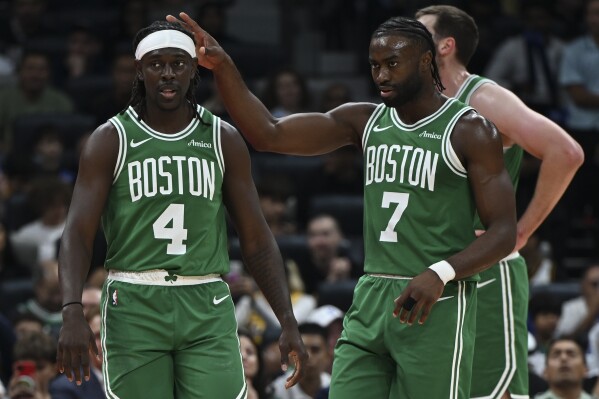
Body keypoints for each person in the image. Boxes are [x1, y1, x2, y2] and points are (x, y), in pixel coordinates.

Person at [168, 12, 517, 398]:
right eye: (375, 66)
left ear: (425, 61)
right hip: (371, 297)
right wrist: (224, 67)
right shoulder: (363, 121)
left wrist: (441, 272)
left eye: (392, 64)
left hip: (436, 301)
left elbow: (503, 232)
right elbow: (268, 133)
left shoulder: (469, 129)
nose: (381, 75)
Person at [55, 20, 307, 399]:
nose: (168, 73)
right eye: (156, 64)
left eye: (179, 63)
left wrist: (286, 319)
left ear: (194, 68)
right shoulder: (110, 139)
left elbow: (255, 237)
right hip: (135, 298)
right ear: (139, 70)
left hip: (206, 298)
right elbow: (77, 232)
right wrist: (72, 309)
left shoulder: (223, 137)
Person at [415, 5, 584, 399]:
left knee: (493, 392)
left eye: (418, 32)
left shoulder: (485, 97)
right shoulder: (419, 105)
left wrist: (520, 232)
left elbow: (567, 152)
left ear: (445, 45)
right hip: (435, 267)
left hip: (486, 269)